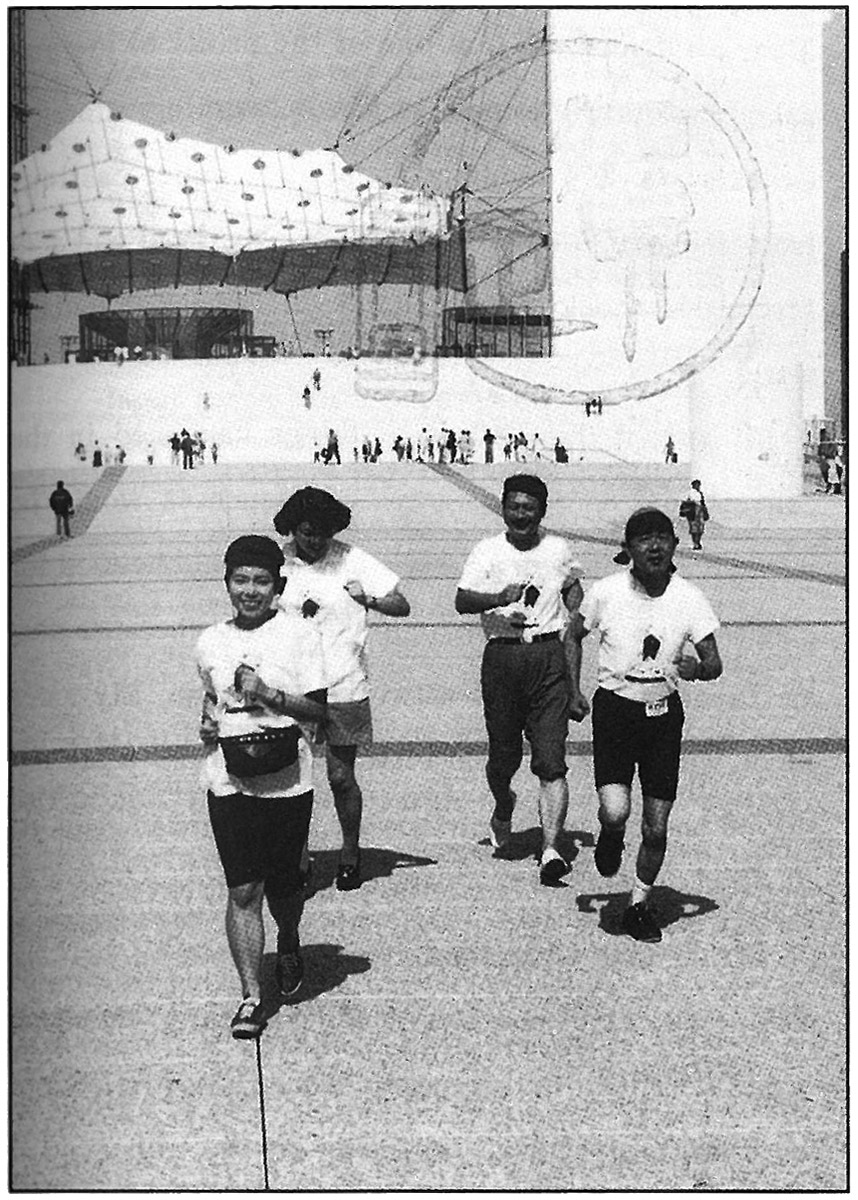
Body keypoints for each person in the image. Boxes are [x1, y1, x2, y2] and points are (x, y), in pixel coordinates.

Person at [566, 507, 722, 943]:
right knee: (616, 810)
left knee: (656, 827)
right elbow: (571, 635)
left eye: (662, 538)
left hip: (663, 718)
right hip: (616, 711)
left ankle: (638, 902)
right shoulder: (606, 592)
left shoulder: (689, 597)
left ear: (674, 545)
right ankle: (611, 833)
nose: (654, 546)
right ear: (628, 549)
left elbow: (714, 663)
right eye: (643, 539)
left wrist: (695, 669)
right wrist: (572, 691)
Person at [197, 535, 328, 1038]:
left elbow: (320, 712)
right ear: (227, 582)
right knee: (242, 887)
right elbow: (210, 699)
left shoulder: (300, 635)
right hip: (227, 777)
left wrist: (269, 694)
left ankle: (289, 938)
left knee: (284, 887)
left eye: (261, 581)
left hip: (287, 778)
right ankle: (252, 997)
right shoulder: (210, 639)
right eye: (240, 580)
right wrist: (208, 723)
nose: (250, 590)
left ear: (278, 585)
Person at [272, 487, 411, 890]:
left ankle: (350, 850)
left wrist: (368, 599)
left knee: (340, 776)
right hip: (292, 686)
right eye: (306, 531)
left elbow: (402, 604)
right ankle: (298, 855)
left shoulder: (353, 558)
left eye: (323, 533)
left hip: (344, 683)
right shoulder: (280, 562)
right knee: (291, 777)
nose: (314, 540)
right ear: (293, 528)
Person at [455, 474, 588, 886]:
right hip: (503, 657)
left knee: (551, 761)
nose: (521, 515)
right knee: (503, 759)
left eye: (529, 508)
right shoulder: (487, 551)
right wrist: (498, 598)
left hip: (547, 657)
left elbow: (575, 608)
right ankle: (504, 802)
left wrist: (575, 683)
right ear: (504, 508)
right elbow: (462, 600)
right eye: (514, 507)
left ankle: (550, 849)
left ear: (542, 511)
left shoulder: (559, 550)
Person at [679, 479, 708, 551]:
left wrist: (705, 511)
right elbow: (685, 502)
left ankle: (697, 542)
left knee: (700, 528)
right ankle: (695, 543)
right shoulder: (690, 493)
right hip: (693, 511)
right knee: (694, 528)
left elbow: (702, 503)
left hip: (699, 510)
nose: (698, 486)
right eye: (697, 485)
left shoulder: (700, 493)